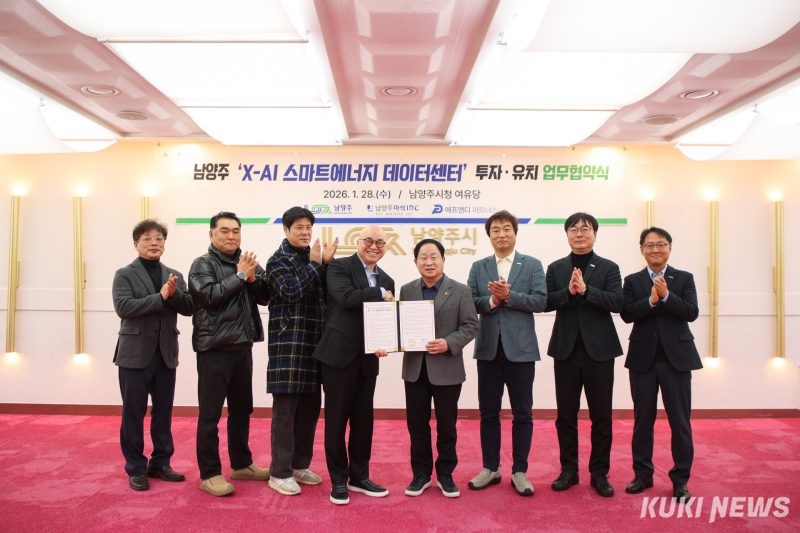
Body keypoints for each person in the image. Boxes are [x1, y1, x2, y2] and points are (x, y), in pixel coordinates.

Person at [188, 211, 271, 497]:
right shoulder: (202, 264)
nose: (231, 236)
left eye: (236, 231)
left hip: (243, 348)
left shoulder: (247, 262)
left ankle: (242, 464)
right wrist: (240, 276)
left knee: (242, 410)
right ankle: (210, 474)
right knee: (210, 415)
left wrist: (252, 278)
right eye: (224, 231)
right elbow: (209, 297)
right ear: (212, 234)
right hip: (214, 350)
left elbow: (266, 297)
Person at [312, 225, 395, 505]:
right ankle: (338, 480)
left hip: (368, 358)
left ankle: (360, 476)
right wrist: (381, 292)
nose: (374, 246)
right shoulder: (339, 267)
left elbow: (383, 317)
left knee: (363, 421)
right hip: (338, 355)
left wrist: (385, 341)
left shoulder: (387, 279)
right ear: (358, 242)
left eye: (380, 242)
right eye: (368, 241)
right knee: (336, 421)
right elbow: (345, 298)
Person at [467, 210, 547, 497]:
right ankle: (490, 468)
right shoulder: (479, 267)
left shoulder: (532, 264)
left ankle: (519, 471)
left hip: (522, 351)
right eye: (495, 230)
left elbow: (541, 301)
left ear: (515, 232)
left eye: (506, 229)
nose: (501, 234)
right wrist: (492, 299)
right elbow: (470, 302)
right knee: (488, 413)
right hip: (488, 350)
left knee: (523, 413)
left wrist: (509, 296)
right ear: (489, 236)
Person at [545, 212, 623, 498]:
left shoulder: (609, 267)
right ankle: (569, 470)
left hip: (599, 350)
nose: (579, 233)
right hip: (565, 349)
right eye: (573, 229)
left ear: (595, 234)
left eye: (585, 229)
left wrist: (587, 291)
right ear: (567, 235)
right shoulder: (556, 268)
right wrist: (568, 292)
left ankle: (599, 472)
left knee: (601, 415)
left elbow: (617, 303)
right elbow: (545, 302)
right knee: (565, 415)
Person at [621, 227, 702, 501]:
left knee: (680, 423)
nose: (655, 249)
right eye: (650, 245)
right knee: (642, 422)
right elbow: (627, 314)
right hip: (642, 360)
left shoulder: (684, 278)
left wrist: (667, 296)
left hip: (677, 360)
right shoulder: (632, 280)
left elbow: (691, 312)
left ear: (669, 248)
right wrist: (651, 300)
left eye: (661, 244)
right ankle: (642, 475)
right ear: (641, 249)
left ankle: (680, 480)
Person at [112, 219, 194, 491]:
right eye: (147, 238)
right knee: (133, 413)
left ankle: (160, 463)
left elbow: (189, 308)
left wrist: (173, 294)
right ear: (136, 244)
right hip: (134, 355)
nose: (154, 243)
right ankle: (136, 468)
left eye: (159, 238)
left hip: (166, 354)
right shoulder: (124, 274)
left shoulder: (174, 274)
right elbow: (124, 307)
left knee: (163, 412)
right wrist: (160, 297)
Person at [265, 207, 337, 496]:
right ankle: (279, 472)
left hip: (315, 344)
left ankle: (298, 465)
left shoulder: (315, 258)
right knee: (285, 413)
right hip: (289, 345)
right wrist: (317, 265)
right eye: (299, 227)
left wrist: (327, 265)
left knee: (309, 410)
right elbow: (291, 291)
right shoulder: (277, 260)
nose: (305, 232)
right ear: (286, 230)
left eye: (308, 227)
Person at [399, 239, 479, 499]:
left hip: (447, 368)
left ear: (443, 260)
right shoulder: (407, 290)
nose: (429, 262)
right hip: (415, 369)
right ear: (415, 262)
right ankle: (421, 473)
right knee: (417, 425)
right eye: (423, 257)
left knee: (447, 425)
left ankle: (445, 473)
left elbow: (471, 326)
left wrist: (448, 343)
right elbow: (400, 326)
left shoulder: (461, 290)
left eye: (434, 256)